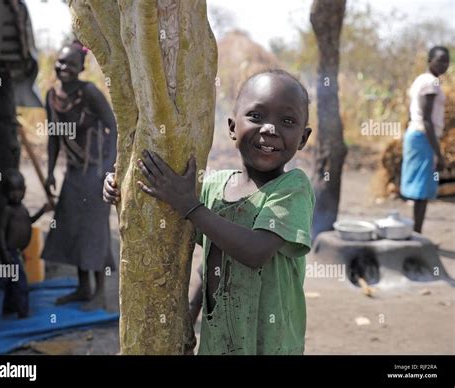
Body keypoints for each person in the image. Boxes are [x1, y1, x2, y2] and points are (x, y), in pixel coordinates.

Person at [103, 69, 315, 355]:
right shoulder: (212, 186)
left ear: (302, 138)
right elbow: (212, 264)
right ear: (231, 127)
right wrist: (122, 189)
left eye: (287, 121)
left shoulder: (292, 187)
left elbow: (256, 251)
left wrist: (189, 205)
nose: (269, 129)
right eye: (256, 116)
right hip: (217, 342)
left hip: (269, 343)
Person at [42, 41, 117, 310]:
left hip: (96, 173)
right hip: (73, 173)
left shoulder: (90, 93)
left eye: (70, 64)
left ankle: (100, 293)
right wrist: (50, 173)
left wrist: (108, 169)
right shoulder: (52, 96)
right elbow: (53, 138)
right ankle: (83, 288)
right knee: (72, 229)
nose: (63, 68)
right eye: (60, 63)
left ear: (81, 68)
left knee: (94, 232)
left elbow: (113, 127)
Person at [401, 46, 450, 233]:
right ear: (430, 61)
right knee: (421, 190)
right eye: (440, 60)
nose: (444, 64)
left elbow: (412, 112)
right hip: (423, 137)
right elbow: (427, 120)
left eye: (447, 61)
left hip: (417, 135)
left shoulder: (421, 80)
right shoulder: (431, 83)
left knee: (418, 187)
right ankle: (417, 235)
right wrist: (439, 153)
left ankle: (415, 233)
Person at [0, 169, 50, 318]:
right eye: (12, 191)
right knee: (20, 283)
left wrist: (42, 211)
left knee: (11, 282)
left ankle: (9, 307)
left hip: (19, 252)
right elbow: (1, 232)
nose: (16, 194)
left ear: (24, 191)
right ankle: (23, 311)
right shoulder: (8, 211)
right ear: (5, 192)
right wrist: (5, 252)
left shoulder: (23, 209)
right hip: (11, 253)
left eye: (19, 190)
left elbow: (30, 221)